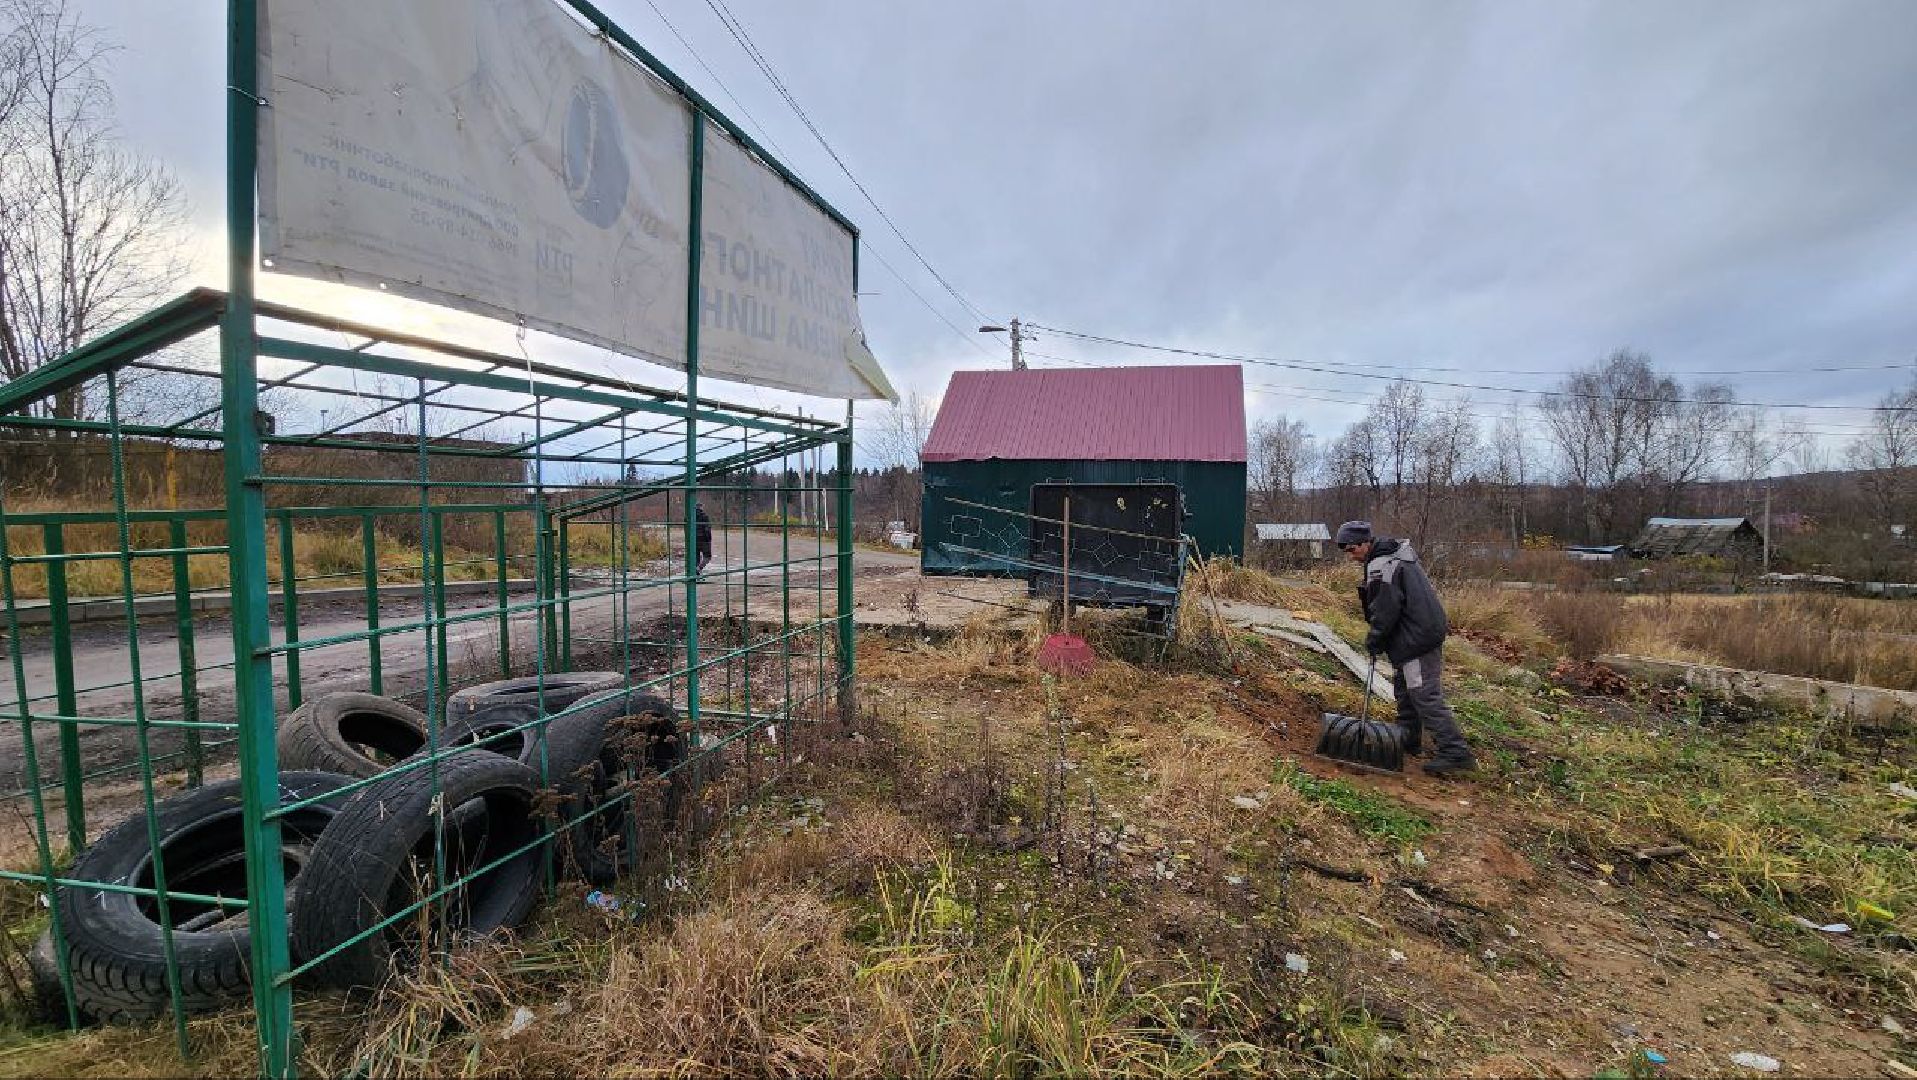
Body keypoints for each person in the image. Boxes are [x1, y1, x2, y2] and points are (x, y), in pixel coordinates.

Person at [1335, 521, 1476, 777]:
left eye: (1351, 548)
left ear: (1365, 543)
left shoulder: (1382, 565)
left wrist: (1376, 636)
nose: (1349, 554)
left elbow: (1386, 608)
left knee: (1423, 693)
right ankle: (1407, 739)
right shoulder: (1391, 555)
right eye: (1344, 549)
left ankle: (1455, 751)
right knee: (1405, 688)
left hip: (1417, 637)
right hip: (1416, 632)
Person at [694, 504, 713, 575]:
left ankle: (696, 572)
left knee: (696, 557)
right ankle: (698, 569)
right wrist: (709, 539)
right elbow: (707, 529)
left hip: (694, 540)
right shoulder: (705, 516)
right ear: (701, 508)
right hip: (704, 540)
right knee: (707, 556)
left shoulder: (691, 517)